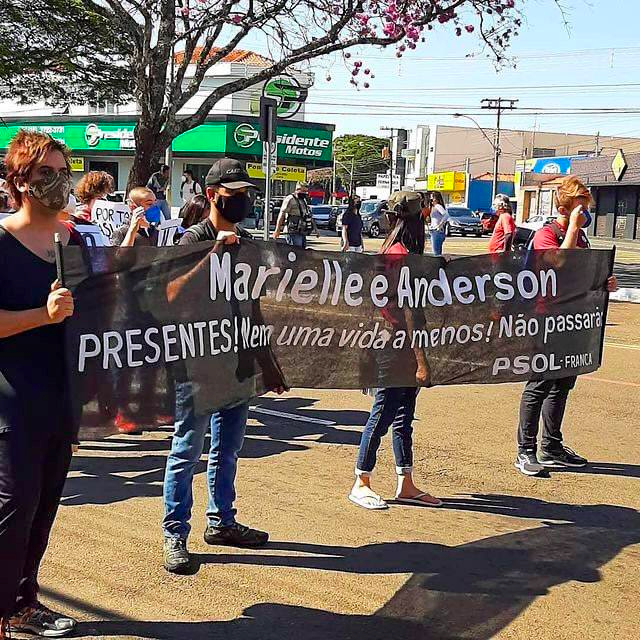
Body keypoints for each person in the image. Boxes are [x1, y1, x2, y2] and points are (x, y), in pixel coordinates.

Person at [162, 158, 286, 574]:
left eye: (247, 193)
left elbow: (252, 307)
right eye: (235, 195)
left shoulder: (247, 240)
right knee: (186, 450)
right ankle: (175, 533)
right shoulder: (192, 238)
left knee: (228, 449)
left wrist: (267, 362)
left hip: (238, 362)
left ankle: (222, 522)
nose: (244, 200)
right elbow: (168, 294)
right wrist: (212, 252)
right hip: (195, 364)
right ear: (214, 196)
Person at [0, 130, 81, 638]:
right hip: (12, 399)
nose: (56, 182)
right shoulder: (1, 241)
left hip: (64, 398)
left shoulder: (77, 241)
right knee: (14, 507)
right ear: (19, 182)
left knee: (45, 505)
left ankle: (24, 603)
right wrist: (42, 315)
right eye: (44, 173)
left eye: (61, 170)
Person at [514, 176, 618, 476]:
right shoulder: (547, 234)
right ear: (568, 205)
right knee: (540, 383)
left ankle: (551, 446)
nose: (586, 213)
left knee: (563, 383)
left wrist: (603, 282)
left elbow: (580, 273)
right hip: (546, 320)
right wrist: (572, 226)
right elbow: (559, 265)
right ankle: (525, 451)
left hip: (573, 321)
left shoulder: (580, 236)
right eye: (581, 206)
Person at [349, 191, 441, 511]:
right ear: (414, 221)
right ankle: (361, 481)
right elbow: (409, 312)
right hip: (395, 347)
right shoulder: (400, 255)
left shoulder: (393, 250)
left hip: (390, 343)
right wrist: (422, 362)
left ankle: (406, 482)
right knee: (384, 413)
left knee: (403, 417)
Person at [273, 181, 319, 248]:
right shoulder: (290, 199)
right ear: (297, 189)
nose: (304, 193)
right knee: (296, 253)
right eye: (303, 191)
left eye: (306, 191)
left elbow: (308, 215)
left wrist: (316, 229)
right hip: (292, 232)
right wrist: (277, 230)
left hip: (302, 232)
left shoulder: (303, 200)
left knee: (302, 253)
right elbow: (282, 213)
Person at [428, 191, 448, 256]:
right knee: (436, 251)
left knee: (436, 252)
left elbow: (446, 215)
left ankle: (439, 265)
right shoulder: (433, 207)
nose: (431, 200)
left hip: (437, 231)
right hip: (433, 230)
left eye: (432, 198)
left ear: (436, 198)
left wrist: (440, 225)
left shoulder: (438, 206)